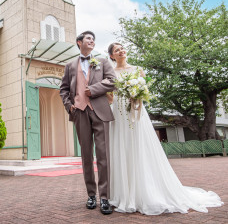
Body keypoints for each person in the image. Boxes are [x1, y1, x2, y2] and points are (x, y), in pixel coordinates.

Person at [108, 42, 224, 215]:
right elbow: (109, 96)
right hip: (118, 113)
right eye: (117, 50)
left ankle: (145, 191)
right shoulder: (110, 73)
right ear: (112, 56)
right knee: (121, 148)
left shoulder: (137, 69)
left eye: (122, 48)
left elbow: (144, 91)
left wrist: (136, 96)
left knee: (140, 149)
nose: (121, 51)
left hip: (136, 113)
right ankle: (123, 193)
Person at [60, 31, 116, 215]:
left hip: (99, 111)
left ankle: (105, 197)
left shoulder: (102, 62)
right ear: (79, 42)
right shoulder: (69, 65)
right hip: (80, 113)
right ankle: (91, 195)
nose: (92, 41)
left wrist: (93, 89)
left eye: (93, 39)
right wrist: (70, 107)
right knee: (86, 156)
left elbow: (112, 81)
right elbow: (64, 89)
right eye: (88, 39)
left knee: (103, 155)